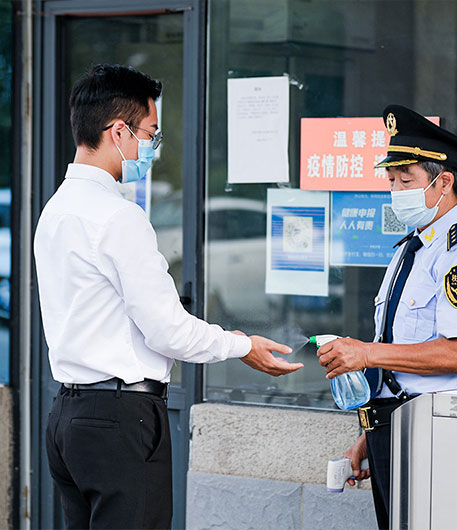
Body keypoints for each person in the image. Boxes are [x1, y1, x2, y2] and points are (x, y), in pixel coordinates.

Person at [34, 64, 302, 530]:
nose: (153, 147)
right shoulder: (118, 217)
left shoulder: (55, 211)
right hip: (121, 420)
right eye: (150, 134)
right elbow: (166, 329)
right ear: (118, 132)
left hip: (68, 418)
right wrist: (242, 345)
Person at [316, 105, 457, 529]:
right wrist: (369, 437)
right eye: (391, 180)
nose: (395, 191)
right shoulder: (413, 245)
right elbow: (401, 357)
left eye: (406, 180)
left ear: (444, 181)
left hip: (435, 433)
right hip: (394, 428)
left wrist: (366, 354)